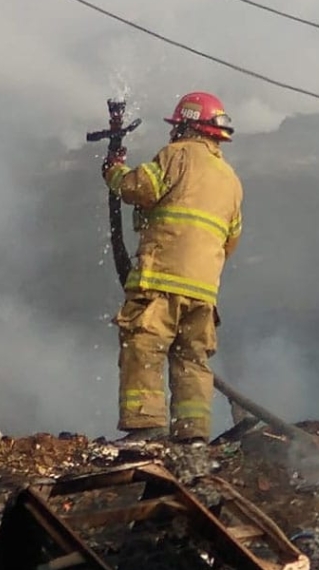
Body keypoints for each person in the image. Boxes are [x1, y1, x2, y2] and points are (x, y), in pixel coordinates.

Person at [101, 92, 244, 444]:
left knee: (144, 346)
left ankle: (146, 427)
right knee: (192, 360)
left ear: (186, 125)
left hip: (162, 280)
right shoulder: (231, 180)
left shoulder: (176, 155)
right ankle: (192, 435)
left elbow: (140, 188)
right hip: (204, 292)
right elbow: (231, 240)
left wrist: (114, 172)